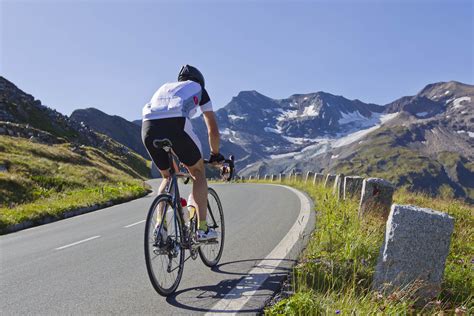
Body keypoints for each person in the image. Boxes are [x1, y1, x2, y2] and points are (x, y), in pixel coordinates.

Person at [141, 65, 224, 241]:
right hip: (176, 122)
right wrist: (215, 154)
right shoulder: (200, 89)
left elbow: (160, 116)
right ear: (199, 81)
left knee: (168, 177)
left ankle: (160, 227)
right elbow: (212, 129)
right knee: (198, 173)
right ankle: (202, 229)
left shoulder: (166, 87)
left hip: (147, 126)